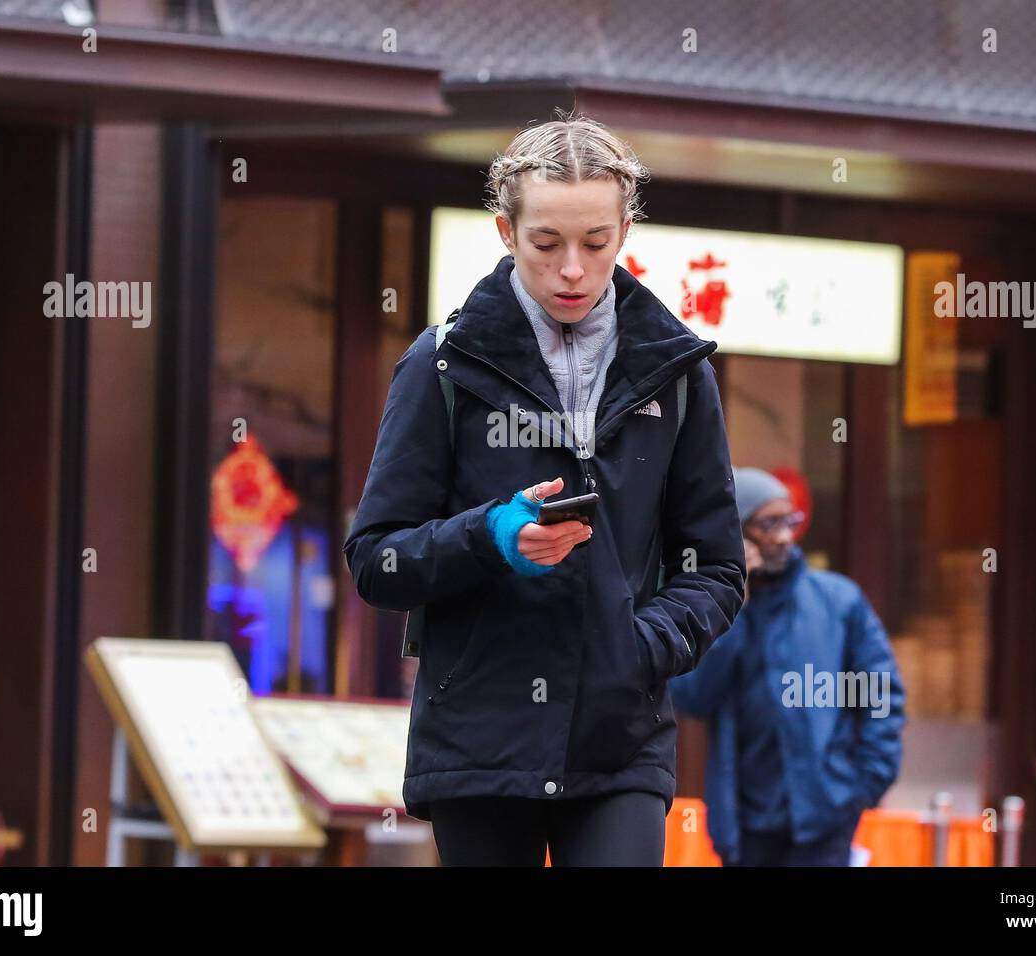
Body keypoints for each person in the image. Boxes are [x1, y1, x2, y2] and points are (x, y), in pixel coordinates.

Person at [342, 113, 746, 866]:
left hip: (620, 737)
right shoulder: (441, 365)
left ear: (625, 231)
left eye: (595, 242)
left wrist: (640, 646)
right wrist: (492, 536)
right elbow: (376, 559)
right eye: (546, 243)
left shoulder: (680, 375)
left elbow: (717, 567)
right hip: (479, 737)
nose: (572, 270)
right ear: (506, 232)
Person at [669, 468, 905, 866]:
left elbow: (879, 695)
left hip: (826, 819)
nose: (782, 536)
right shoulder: (711, 609)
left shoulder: (839, 601)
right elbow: (693, 697)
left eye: (788, 522)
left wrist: (865, 785)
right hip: (745, 827)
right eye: (768, 524)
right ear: (736, 532)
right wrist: (734, 600)